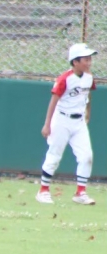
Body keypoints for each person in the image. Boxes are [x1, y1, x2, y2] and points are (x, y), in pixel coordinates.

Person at [37, 42, 98, 206]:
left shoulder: (89, 77)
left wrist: (88, 112)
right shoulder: (65, 79)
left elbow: (88, 94)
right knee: (54, 155)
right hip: (62, 120)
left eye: (90, 59)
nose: (89, 62)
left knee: (86, 156)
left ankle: (80, 193)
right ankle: (43, 191)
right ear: (75, 62)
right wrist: (47, 124)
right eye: (85, 59)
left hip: (79, 122)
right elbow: (54, 100)